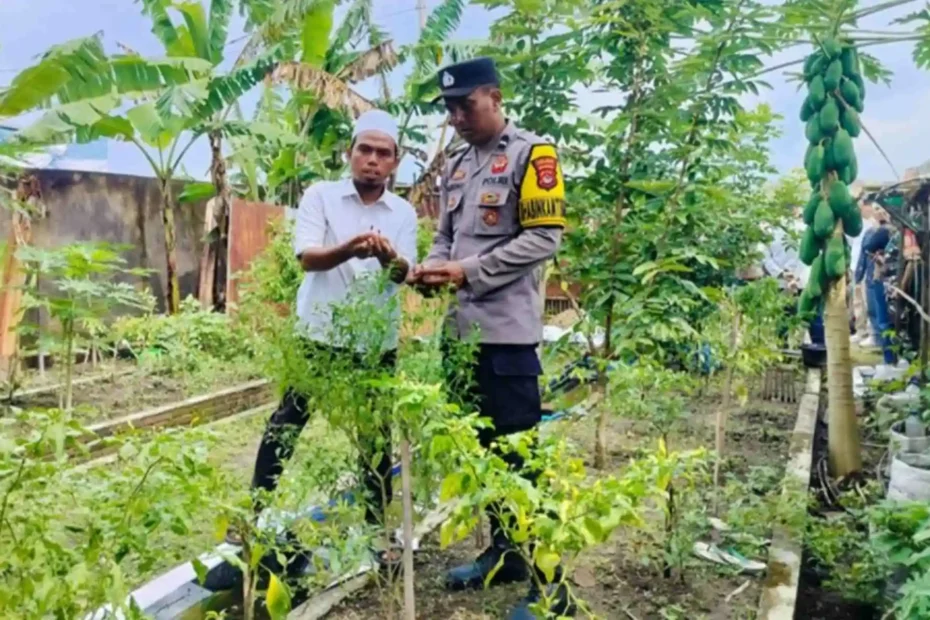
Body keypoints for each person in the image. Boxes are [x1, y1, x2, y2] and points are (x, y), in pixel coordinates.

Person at [408, 57, 572, 619]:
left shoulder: (533, 155)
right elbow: (445, 235)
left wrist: (467, 272)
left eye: (465, 106)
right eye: (449, 109)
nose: (456, 118)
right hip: (460, 337)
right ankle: (505, 554)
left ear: (495, 97)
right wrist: (433, 271)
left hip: (506, 339)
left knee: (521, 460)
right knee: (481, 458)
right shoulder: (456, 164)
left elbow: (545, 238)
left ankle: (552, 590)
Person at [228, 110, 418, 544]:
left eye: (382, 153)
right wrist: (351, 248)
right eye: (364, 150)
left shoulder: (402, 212)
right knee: (287, 423)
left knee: (374, 437)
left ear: (395, 162)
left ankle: (377, 532)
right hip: (318, 336)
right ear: (349, 153)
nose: (372, 159)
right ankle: (253, 514)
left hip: (375, 343)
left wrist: (388, 258)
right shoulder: (321, 197)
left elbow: (403, 274)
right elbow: (307, 258)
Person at [855, 213, 899, 374]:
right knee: (886, 322)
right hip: (889, 288)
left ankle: (890, 360)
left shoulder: (889, 246)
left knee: (884, 322)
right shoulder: (893, 240)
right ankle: (892, 359)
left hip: (887, 288)